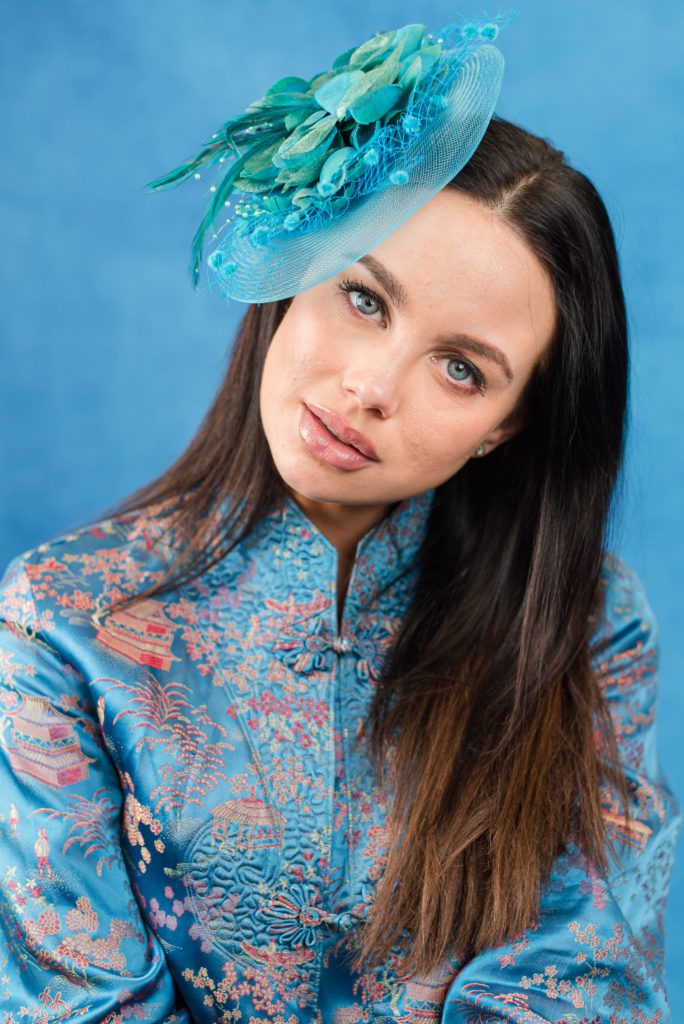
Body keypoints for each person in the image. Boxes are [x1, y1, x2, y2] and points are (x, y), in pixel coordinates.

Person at [0, 14, 679, 1023]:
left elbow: (581, 986)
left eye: (461, 368)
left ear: (505, 425)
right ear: (300, 260)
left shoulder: (585, 620)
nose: (371, 387)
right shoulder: (63, 618)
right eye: (365, 298)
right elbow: (79, 1004)